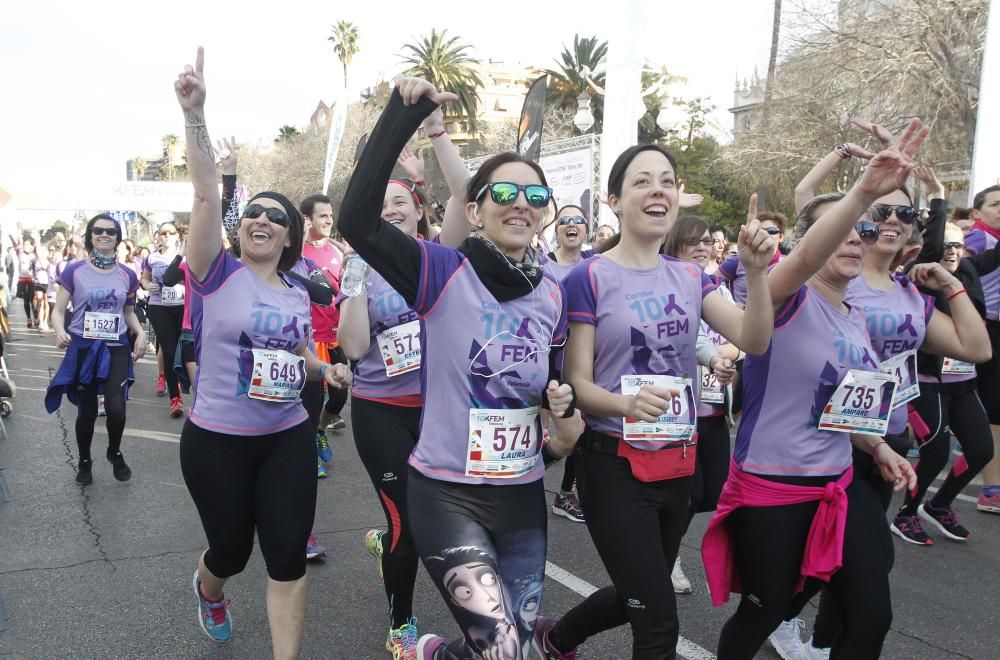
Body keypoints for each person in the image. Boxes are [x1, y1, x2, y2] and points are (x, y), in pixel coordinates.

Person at [338, 76, 580, 660]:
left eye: (535, 197)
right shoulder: (442, 271)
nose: (521, 205)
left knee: (515, 646)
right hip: (448, 495)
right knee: (503, 649)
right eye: (504, 193)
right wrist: (400, 117)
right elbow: (358, 222)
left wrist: (560, 425)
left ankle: (435, 655)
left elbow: (549, 394)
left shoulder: (552, 291)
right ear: (474, 209)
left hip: (522, 491)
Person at [535, 145, 775, 660]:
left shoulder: (691, 277)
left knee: (638, 596)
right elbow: (577, 383)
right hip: (613, 465)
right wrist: (626, 406)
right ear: (615, 200)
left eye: (666, 180)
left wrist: (755, 273)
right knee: (659, 622)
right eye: (642, 182)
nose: (657, 190)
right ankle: (557, 639)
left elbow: (754, 340)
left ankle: (555, 639)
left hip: (677, 463)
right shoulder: (589, 276)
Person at [700, 119, 928, 660]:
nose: (856, 239)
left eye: (865, 233)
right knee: (766, 608)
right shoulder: (784, 298)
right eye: (845, 230)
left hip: (841, 488)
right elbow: (800, 260)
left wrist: (879, 446)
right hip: (773, 489)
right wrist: (863, 192)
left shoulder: (855, 320)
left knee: (872, 613)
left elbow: (843, 409)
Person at [173, 47, 350, 656]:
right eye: (253, 213)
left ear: (288, 236)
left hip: (286, 436)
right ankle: (209, 586)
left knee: (285, 558)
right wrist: (195, 114)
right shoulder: (214, 273)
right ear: (240, 225)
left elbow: (298, 351)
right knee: (231, 550)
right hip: (217, 438)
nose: (263, 220)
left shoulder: (299, 293)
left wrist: (324, 367)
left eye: (276, 217)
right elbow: (202, 196)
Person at [337, 175, 431, 658]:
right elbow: (352, 347)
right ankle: (402, 625)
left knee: (436, 517)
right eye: (382, 203)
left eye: (401, 202)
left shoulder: (441, 260)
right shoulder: (362, 270)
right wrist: (355, 279)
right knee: (408, 527)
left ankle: (385, 538)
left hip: (439, 411)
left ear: (418, 211)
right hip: (381, 411)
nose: (392, 209)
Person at [662, 215, 740, 595]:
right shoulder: (665, 287)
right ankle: (667, 556)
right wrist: (709, 356)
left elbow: (739, 339)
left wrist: (722, 356)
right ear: (674, 243)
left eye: (707, 240)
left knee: (711, 492)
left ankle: (664, 543)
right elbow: (682, 340)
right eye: (692, 240)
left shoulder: (719, 292)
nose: (702, 246)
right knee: (688, 493)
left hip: (714, 409)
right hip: (677, 411)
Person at [45, 214, 147, 484]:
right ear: (90, 236)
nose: (105, 235)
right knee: (87, 412)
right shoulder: (74, 271)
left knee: (117, 409)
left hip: (115, 347)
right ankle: (84, 460)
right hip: (83, 347)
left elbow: (128, 312)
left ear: (118, 238)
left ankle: (114, 451)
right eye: (98, 230)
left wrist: (140, 333)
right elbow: (57, 311)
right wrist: (59, 330)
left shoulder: (127, 274)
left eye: (111, 231)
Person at [541, 204, 596, 524]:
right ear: (556, 230)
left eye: (579, 220)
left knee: (580, 428)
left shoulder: (595, 263)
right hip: (549, 358)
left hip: (585, 359)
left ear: (587, 230)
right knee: (544, 431)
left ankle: (567, 493)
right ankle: (524, 478)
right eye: (565, 221)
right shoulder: (542, 264)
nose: (572, 225)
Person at [299, 193, 350, 455]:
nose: (329, 220)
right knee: (312, 398)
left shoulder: (336, 250)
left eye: (331, 215)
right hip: (309, 340)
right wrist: (297, 243)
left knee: (339, 396)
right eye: (323, 216)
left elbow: (343, 291)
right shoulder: (296, 251)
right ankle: (309, 451)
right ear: (308, 219)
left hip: (335, 335)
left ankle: (320, 430)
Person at [961, 184, 1000, 513]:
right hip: (985, 328)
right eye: (996, 204)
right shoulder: (980, 238)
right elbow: (959, 268)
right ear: (977, 213)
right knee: (993, 411)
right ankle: (991, 489)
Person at [142, 221, 186, 417]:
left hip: (183, 306)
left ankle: (178, 378)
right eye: (163, 233)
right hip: (159, 306)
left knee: (183, 349)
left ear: (177, 235)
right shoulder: (152, 257)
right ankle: (175, 399)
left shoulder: (187, 254)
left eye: (170, 232)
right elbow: (144, 278)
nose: (166, 236)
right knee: (168, 350)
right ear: (158, 236)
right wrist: (146, 285)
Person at [717, 211, 786, 305]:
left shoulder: (788, 264)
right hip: (737, 317)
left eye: (771, 231)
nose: (764, 235)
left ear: (781, 236)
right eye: (759, 232)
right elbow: (710, 282)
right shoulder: (739, 260)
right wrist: (729, 303)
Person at [16, 238, 38, 328]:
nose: (25, 246)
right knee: (25, 301)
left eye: (27, 244)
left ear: (31, 246)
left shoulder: (34, 255)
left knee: (32, 300)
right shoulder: (20, 254)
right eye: (24, 244)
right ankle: (29, 318)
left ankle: (36, 317)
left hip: (31, 280)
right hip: (22, 280)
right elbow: (15, 246)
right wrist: (17, 237)